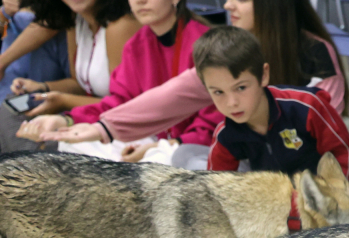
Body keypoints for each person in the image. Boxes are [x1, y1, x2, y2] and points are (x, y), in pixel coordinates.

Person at [36, 0, 343, 147]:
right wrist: (102, 127)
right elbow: (173, 95)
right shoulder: (233, 47)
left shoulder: (313, 52)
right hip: (247, 159)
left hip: (304, 166)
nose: (227, 4)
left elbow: (326, 123)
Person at [17, 0, 220, 168]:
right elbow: (119, 103)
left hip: (187, 145)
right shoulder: (136, 44)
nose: (140, 2)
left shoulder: (204, 43)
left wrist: (165, 145)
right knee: (70, 145)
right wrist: (67, 121)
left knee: (159, 161)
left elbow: (214, 120)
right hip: (148, 137)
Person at [195, 26, 349, 192]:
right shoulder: (226, 135)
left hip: (330, 199)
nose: (231, 103)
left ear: (264, 75)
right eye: (218, 92)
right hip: (276, 206)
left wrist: (330, 197)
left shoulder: (307, 106)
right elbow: (217, 188)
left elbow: (343, 155)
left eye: (241, 88)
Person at [0, 0, 137, 153]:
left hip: (117, 128)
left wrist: (62, 101)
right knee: (9, 109)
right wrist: (43, 87)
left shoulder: (120, 26)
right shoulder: (76, 21)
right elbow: (78, 84)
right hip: (87, 115)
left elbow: (126, 106)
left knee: (23, 135)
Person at [0, 0, 69, 151]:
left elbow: (79, 86)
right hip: (18, 103)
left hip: (36, 109)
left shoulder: (58, 24)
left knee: (7, 114)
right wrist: (4, 14)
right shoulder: (11, 17)